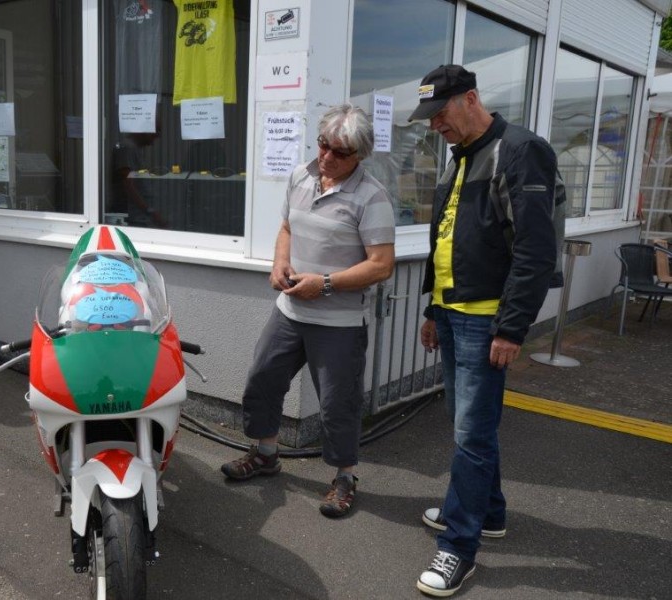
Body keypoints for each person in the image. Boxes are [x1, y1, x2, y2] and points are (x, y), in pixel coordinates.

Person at [408, 65, 557, 596]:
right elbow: (447, 240)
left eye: (441, 114)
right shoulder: (461, 156)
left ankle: (458, 546)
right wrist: (432, 307)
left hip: (486, 318)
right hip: (452, 312)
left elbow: (537, 250)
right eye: (429, 118)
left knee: (470, 433)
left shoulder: (520, 151)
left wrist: (512, 326)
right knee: (468, 425)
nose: (435, 127)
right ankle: (488, 512)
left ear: (471, 99)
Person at [220, 104, 396, 518]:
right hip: (290, 312)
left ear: (359, 156)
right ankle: (265, 454)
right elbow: (286, 229)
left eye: (339, 152)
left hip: (339, 322)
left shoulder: (372, 197)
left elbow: (382, 264)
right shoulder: (301, 176)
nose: (327, 157)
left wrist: (327, 283)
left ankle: (344, 478)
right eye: (322, 145)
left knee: (338, 403)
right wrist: (279, 263)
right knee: (262, 379)